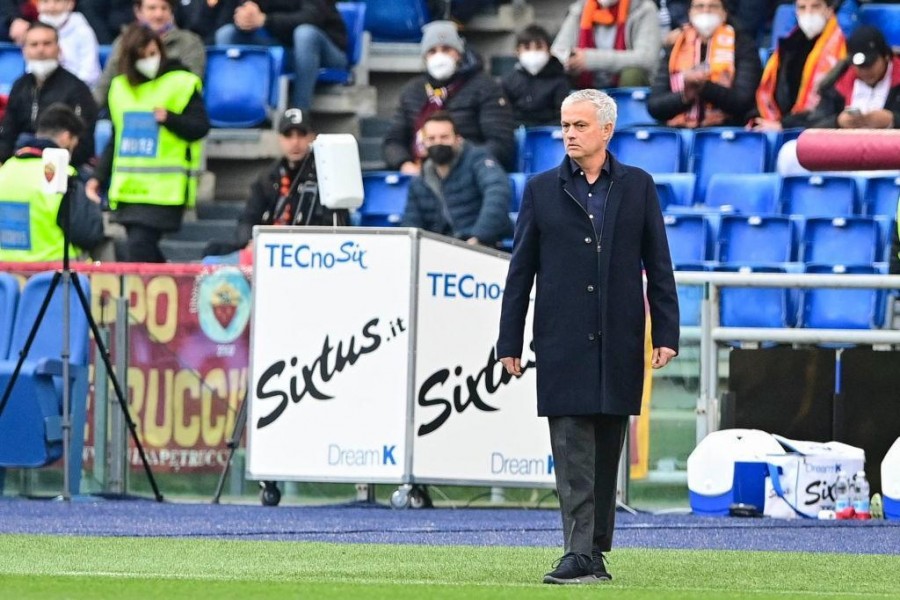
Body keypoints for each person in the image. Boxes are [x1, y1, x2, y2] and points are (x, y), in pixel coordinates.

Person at [496, 89, 679, 584]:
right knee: (573, 448)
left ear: (606, 130)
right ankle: (578, 551)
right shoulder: (539, 189)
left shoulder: (639, 186)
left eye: (579, 125)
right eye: (565, 125)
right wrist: (508, 341)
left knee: (605, 449)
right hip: (562, 338)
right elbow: (520, 272)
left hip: (620, 337)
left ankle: (594, 552)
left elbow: (658, 264)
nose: (569, 134)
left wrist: (666, 331)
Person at [86, 23, 209, 263]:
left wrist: (170, 118)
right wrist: (98, 178)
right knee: (140, 249)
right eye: (142, 56)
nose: (149, 60)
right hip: (129, 190)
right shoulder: (120, 89)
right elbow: (117, 139)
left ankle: (157, 291)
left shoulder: (181, 83)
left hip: (164, 192)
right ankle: (170, 280)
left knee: (139, 246)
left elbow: (199, 128)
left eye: (153, 53)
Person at [205, 108, 349, 258]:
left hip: (309, 253)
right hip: (270, 251)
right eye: (288, 135)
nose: (295, 142)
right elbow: (248, 219)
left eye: (301, 135)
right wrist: (249, 241)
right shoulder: (268, 177)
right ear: (279, 139)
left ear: (312, 138)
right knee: (213, 251)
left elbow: (334, 225)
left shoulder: (325, 177)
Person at [383, 20, 516, 175]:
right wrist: (405, 164)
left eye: (446, 49)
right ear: (425, 57)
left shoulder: (485, 87)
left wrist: (459, 165)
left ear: (459, 54)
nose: (439, 56)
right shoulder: (412, 91)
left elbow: (501, 144)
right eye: (432, 51)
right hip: (420, 175)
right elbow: (392, 142)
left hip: (469, 174)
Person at [0, 103, 104, 261]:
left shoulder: (7, 169)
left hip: (7, 274)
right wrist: (93, 207)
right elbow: (88, 233)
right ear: (66, 137)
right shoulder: (62, 173)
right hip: (53, 274)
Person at [212, 0, 347, 112]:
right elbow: (243, 11)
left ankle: (299, 113)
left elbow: (312, 17)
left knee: (305, 34)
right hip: (287, 51)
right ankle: (237, 107)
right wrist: (244, 18)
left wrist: (265, 20)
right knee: (227, 34)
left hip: (329, 52)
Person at [402, 111, 512, 247]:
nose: (438, 143)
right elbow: (411, 221)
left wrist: (480, 237)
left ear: (458, 139)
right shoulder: (420, 180)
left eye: (444, 137)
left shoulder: (478, 160)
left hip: (482, 246)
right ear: (423, 143)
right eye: (431, 139)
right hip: (438, 253)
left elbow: (497, 191)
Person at [647, 0, 761, 127]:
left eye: (713, 6)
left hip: (725, 131)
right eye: (699, 6)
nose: (706, 11)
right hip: (677, 130)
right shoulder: (676, 45)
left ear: (724, 14)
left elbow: (743, 102)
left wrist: (705, 88)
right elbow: (654, 106)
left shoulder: (742, 45)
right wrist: (685, 96)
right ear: (690, 13)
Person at [0, 23, 97, 170]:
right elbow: (8, 134)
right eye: (34, 44)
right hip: (20, 163)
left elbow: (83, 143)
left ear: (59, 49)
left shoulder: (77, 89)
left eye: (47, 44)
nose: (40, 50)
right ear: (24, 51)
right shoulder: (19, 86)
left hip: (61, 165)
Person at [750, 0, 845, 132]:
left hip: (817, 127)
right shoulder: (789, 44)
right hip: (780, 123)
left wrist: (784, 125)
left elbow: (831, 106)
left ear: (829, 10)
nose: (808, 13)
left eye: (815, 6)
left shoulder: (842, 49)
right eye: (802, 8)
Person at [94, 0, 206, 107]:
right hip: (129, 111)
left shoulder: (189, 42)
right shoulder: (123, 42)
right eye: (152, 8)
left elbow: (192, 85)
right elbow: (105, 85)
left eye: (164, 8)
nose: (158, 14)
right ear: (138, 11)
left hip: (173, 113)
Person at [551, 0, 662, 89]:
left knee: (633, 73)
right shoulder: (580, 8)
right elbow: (558, 49)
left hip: (624, 82)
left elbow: (647, 58)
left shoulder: (644, 8)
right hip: (586, 83)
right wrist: (570, 60)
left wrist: (590, 59)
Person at [815, 25, 900, 129]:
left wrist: (893, 120)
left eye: (870, 65)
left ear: (886, 57)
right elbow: (814, 123)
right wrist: (837, 122)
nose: (864, 71)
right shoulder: (839, 82)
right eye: (859, 66)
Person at [502, 24, 571, 128]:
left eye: (539, 47)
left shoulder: (560, 80)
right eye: (527, 48)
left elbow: (563, 116)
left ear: (549, 51)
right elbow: (503, 114)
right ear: (517, 51)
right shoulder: (509, 80)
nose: (533, 52)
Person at [37, 0, 101, 87]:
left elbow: (90, 73)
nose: (51, 7)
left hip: (78, 91)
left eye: (57, 1)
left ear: (70, 4)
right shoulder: (34, 33)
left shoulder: (83, 32)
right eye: (45, 1)